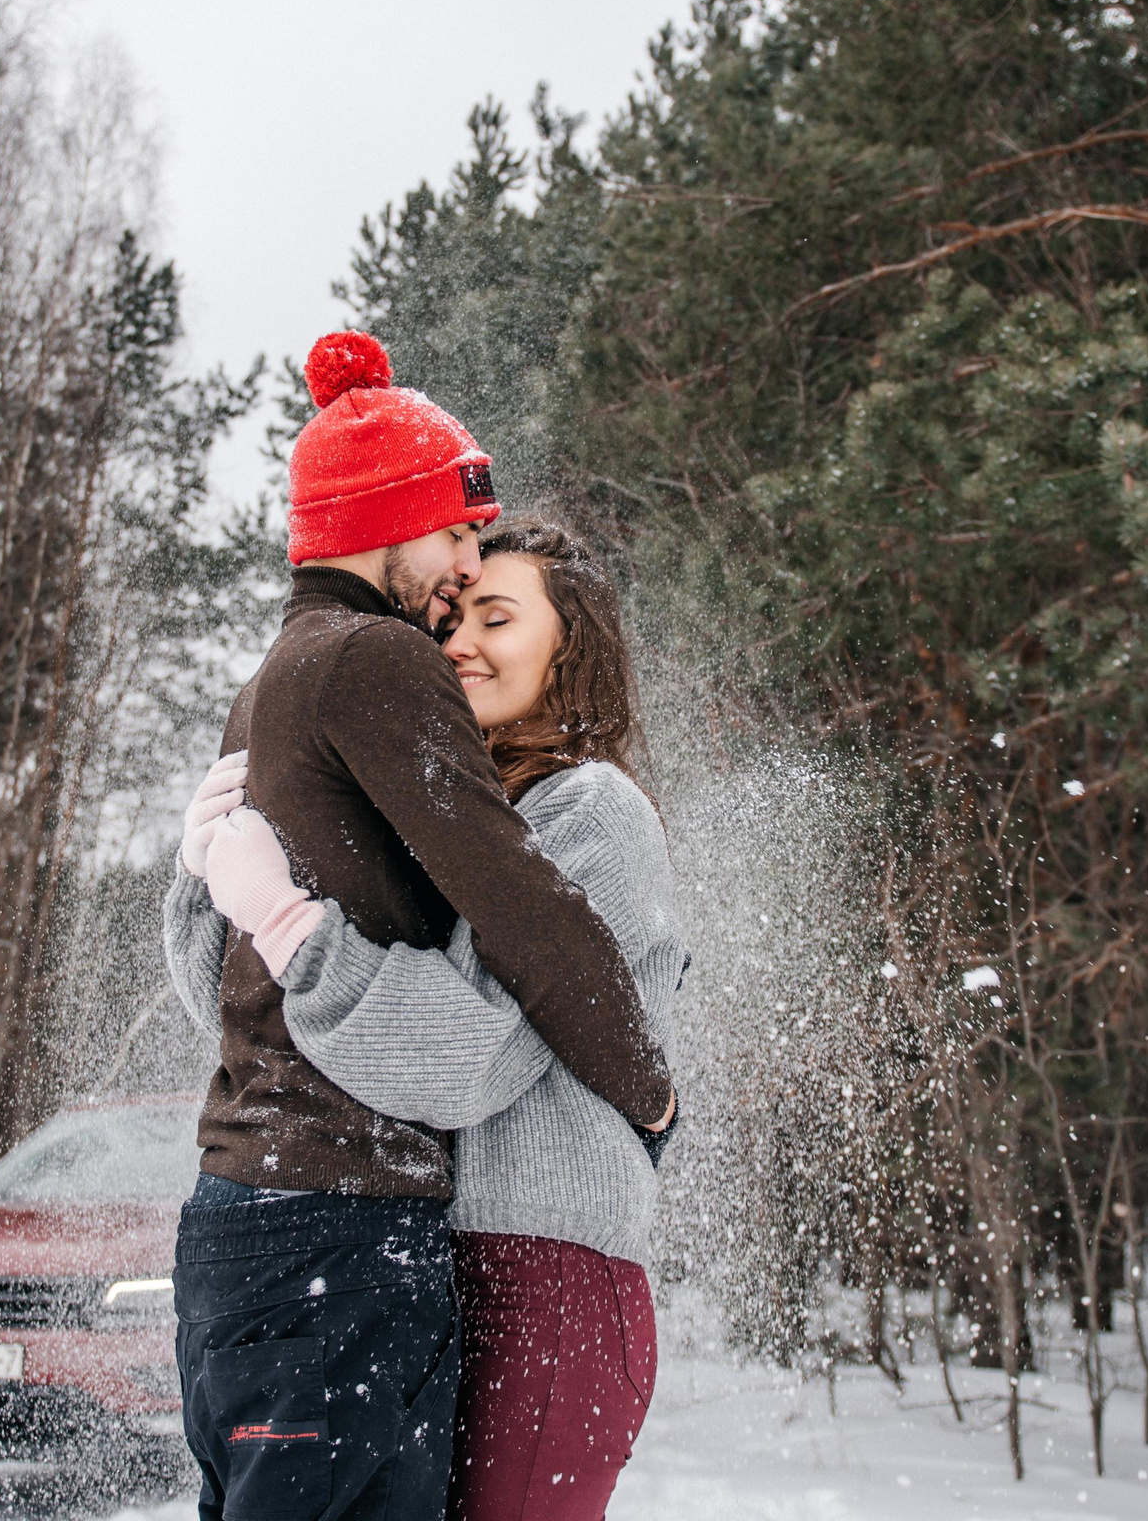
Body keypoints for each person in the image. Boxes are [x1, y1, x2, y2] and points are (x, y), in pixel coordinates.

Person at [163, 333, 674, 1521]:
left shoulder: (586, 808)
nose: (460, 621)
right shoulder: (383, 725)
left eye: (500, 612)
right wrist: (204, 880)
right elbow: (242, 996)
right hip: (380, 1238)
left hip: (535, 1267)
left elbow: (475, 1049)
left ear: (572, 651)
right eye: (458, 568)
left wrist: (646, 1089)